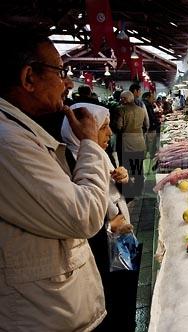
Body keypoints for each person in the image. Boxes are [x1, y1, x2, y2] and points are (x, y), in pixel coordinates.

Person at [0, 28, 109, 330]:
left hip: (54, 308)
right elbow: (84, 215)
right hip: (44, 316)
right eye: (60, 71)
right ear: (28, 78)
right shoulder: (7, 142)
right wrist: (89, 143)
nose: (68, 83)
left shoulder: (17, 130)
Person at [61, 102, 135, 331]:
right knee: (111, 299)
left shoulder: (100, 155)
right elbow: (78, 216)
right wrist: (109, 227)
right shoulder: (68, 162)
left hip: (122, 237)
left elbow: (121, 197)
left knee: (127, 291)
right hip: (100, 247)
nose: (110, 133)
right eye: (103, 127)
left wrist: (123, 180)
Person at [115, 90, 146, 201]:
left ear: (124, 99)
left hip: (127, 144)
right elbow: (146, 124)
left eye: (122, 98)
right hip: (139, 142)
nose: (120, 100)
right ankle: (139, 189)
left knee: (127, 168)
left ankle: (129, 194)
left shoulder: (121, 110)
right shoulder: (141, 110)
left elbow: (119, 126)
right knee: (138, 167)